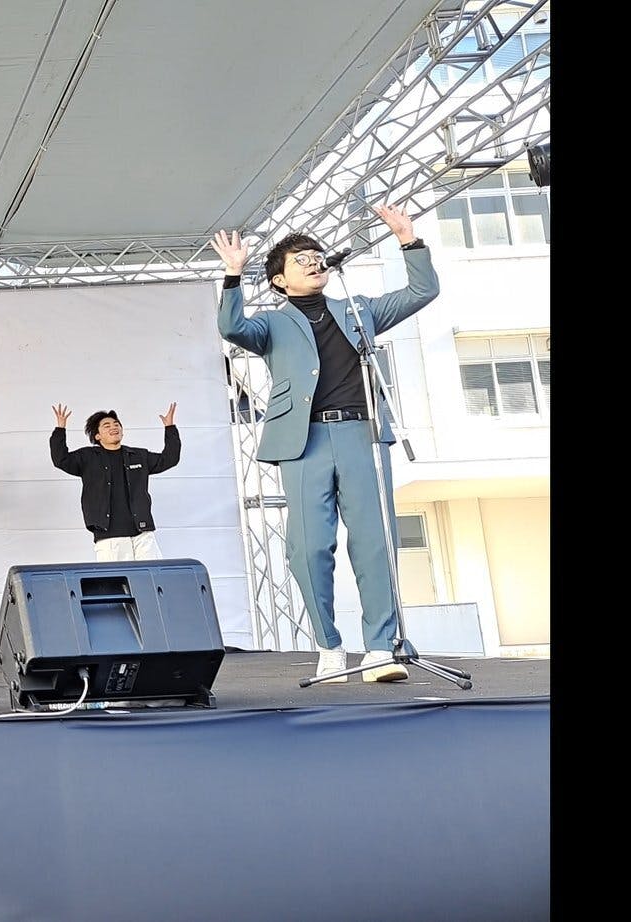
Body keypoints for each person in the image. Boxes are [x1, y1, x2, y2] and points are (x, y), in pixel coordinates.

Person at [211, 203, 436, 684]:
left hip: (361, 434)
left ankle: (381, 648)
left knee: (375, 542)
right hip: (304, 440)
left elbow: (423, 290)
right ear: (279, 280)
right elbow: (232, 328)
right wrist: (233, 274)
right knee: (308, 548)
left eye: (317, 256)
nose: (314, 262)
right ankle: (329, 646)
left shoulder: (358, 308)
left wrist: (408, 240)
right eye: (301, 260)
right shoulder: (272, 323)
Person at [48, 403, 181, 561]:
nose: (114, 427)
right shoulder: (87, 457)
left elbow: (169, 459)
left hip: (143, 534)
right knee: (116, 577)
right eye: (107, 425)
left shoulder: (138, 456)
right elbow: (61, 460)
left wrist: (170, 428)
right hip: (109, 537)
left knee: (151, 574)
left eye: (116, 424)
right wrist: (60, 429)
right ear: (97, 436)